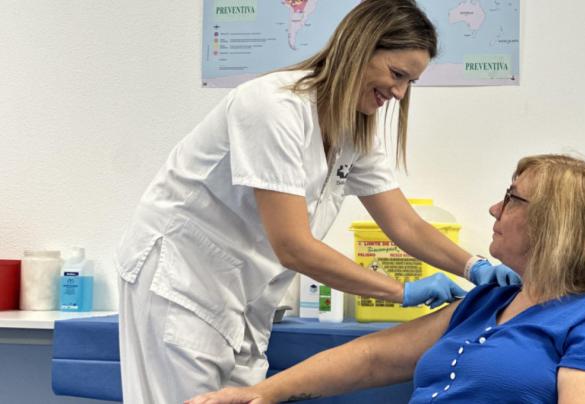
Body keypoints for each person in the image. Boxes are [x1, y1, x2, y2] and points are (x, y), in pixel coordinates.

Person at [114, 1, 516, 402]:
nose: (398, 93)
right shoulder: (273, 107)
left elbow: (404, 223)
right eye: (396, 75)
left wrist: (473, 265)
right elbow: (293, 246)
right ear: (358, 48)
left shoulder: (355, 127)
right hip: (183, 279)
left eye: (410, 82)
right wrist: (400, 291)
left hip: (245, 293)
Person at [186, 154, 585, 404]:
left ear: (555, 223)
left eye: (512, 199)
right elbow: (370, 358)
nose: (495, 208)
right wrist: (259, 393)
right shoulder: (486, 303)